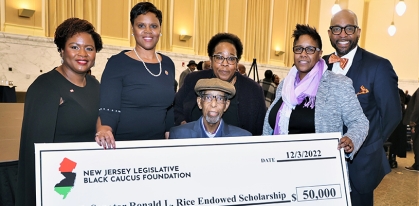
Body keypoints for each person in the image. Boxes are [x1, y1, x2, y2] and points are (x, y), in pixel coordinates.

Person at [263, 23, 368, 180]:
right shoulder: (285, 85)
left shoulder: (337, 83)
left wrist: (351, 139)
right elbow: (271, 124)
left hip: (319, 174)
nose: (303, 54)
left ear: (320, 54)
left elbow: (360, 122)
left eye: (310, 49)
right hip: (280, 170)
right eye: (299, 49)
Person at [16, 17, 103, 206]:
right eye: (74, 47)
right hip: (59, 186)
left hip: (89, 180)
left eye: (89, 48)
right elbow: (35, 153)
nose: (83, 54)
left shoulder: (96, 85)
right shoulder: (45, 87)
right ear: (62, 50)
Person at [322, 9, 401, 205]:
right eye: (337, 29)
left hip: (360, 163)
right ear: (329, 33)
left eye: (349, 29)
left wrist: (367, 145)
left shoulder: (379, 66)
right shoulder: (320, 66)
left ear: (358, 31)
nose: (342, 34)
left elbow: (392, 114)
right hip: (324, 161)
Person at [95, 2, 175, 149]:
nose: (148, 31)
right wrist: (104, 129)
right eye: (141, 26)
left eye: (153, 26)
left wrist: (170, 134)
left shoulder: (168, 64)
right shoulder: (117, 63)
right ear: (133, 29)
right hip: (123, 146)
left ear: (160, 29)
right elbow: (108, 107)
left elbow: (169, 108)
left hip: (157, 147)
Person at [174, 33, 266, 135]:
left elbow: (258, 130)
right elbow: (177, 108)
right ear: (211, 59)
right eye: (219, 57)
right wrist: (185, 128)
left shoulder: (253, 90)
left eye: (231, 58)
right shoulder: (193, 80)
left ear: (237, 63)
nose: (225, 63)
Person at [170, 78, 251, 138]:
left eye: (220, 98)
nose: (213, 104)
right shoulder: (178, 135)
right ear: (199, 102)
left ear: (226, 105)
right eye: (208, 97)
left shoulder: (242, 138)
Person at [403, 87, 419, 172]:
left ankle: (417, 165)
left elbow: (417, 107)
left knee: (417, 143)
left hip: (417, 122)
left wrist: (413, 122)